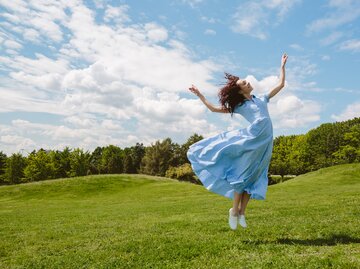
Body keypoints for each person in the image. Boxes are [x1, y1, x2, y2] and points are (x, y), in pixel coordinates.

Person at [187, 53, 288, 230]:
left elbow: (280, 84)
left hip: (264, 144)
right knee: (243, 175)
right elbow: (213, 109)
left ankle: (242, 212)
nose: (248, 82)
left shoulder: (262, 99)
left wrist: (282, 66)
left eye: (246, 81)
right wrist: (200, 95)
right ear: (241, 91)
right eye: (244, 83)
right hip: (250, 140)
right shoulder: (240, 106)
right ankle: (234, 210)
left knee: (255, 176)